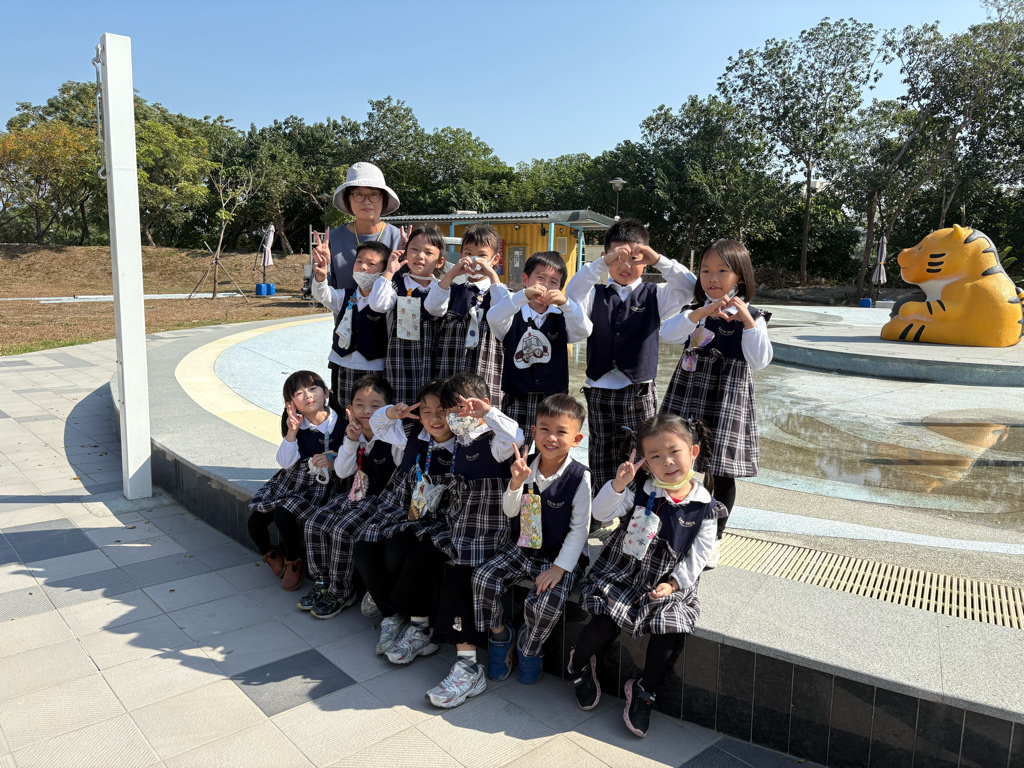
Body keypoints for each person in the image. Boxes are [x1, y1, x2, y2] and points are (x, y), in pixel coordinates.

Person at [567, 414, 726, 738]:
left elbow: (699, 555)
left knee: (669, 631)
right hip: (624, 570)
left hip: (668, 580)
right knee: (602, 622)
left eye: (674, 451)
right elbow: (601, 513)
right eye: (655, 456)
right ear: (645, 461)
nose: (666, 462)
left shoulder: (706, 507)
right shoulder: (640, 488)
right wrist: (618, 485)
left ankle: (644, 691)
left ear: (693, 452)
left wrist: (675, 584)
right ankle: (578, 664)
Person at [659, 239, 772, 568]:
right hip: (689, 391)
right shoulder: (694, 313)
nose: (712, 277)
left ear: (740, 276)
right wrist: (700, 313)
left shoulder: (754, 316)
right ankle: (675, 526)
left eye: (723, 270)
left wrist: (747, 320)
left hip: (727, 397)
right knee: (676, 460)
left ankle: (713, 538)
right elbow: (668, 335)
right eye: (706, 270)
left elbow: (760, 360)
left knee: (720, 472)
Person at [564, 219, 696, 497]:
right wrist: (600, 264)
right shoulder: (594, 294)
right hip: (598, 389)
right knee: (600, 455)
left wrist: (658, 260)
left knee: (642, 456)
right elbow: (572, 293)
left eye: (635, 258)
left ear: (645, 261)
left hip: (638, 391)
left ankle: (635, 512)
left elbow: (690, 288)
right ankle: (601, 510)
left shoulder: (656, 295)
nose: (625, 266)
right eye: (617, 258)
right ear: (606, 258)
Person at [471, 394, 591, 685]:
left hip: (558, 557)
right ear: (534, 432)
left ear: (577, 439)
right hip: (523, 547)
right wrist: (515, 483)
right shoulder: (524, 466)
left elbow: (580, 529)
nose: (551, 437)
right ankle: (501, 635)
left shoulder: (580, 477)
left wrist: (559, 568)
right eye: (544, 429)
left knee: (545, 603)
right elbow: (510, 511)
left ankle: (530, 647)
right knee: (482, 578)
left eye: (561, 432)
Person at [424, 373, 524, 708]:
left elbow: (516, 435)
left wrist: (488, 413)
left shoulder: (494, 441)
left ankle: (468, 667)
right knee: (437, 567)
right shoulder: (460, 443)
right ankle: (439, 639)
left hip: (491, 536)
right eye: (452, 409)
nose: (458, 414)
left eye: (465, 406)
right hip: (463, 533)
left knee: (456, 584)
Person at [298, 374, 399, 619]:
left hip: (382, 500)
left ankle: (342, 591)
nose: (367, 411)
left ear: (388, 409)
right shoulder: (354, 433)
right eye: (360, 405)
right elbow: (343, 471)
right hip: (355, 493)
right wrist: (351, 441)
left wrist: (385, 424)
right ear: (350, 408)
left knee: (342, 530)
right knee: (314, 522)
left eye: (375, 406)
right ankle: (323, 582)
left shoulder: (394, 436)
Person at [247, 371, 344, 591]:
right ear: (291, 403)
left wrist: (333, 461)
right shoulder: (297, 425)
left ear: (326, 393)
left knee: (283, 514)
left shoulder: (340, 424)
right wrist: (291, 432)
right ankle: (271, 554)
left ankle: (294, 559)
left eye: (313, 389)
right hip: (292, 480)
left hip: (321, 485)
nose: (308, 395)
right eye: (299, 393)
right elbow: (285, 462)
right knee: (255, 523)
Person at [486, 252, 592, 450]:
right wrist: (522, 296)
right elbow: (493, 317)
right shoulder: (512, 313)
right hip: (517, 397)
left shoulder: (562, 316)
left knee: (550, 450)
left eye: (554, 282)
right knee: (514, 449)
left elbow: (584, 330)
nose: (545, 285)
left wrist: (566, 303)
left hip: (553, 399)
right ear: (525, 279)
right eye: (540, 278)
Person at [426, 224, 510, 404]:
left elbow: (504, 311)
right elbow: (432, 307)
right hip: (451, 369)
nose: (474, 259)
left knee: (483, 413)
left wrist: (492, 275)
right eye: (468, 253)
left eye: (482, 255)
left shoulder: (502, 293)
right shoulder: (452, 290)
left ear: (495, 259)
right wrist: (451, 273)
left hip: (485, 371)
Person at [311, 237, 391, 414]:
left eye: (371, 264)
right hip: (342, 364)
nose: (363, 267)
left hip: (373, 367)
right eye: (359, 261)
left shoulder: (388, 300)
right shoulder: (345, 296)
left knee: (370, 412)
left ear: (384, 270)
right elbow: (323, 294)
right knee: (344, 410)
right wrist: (321, 275)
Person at [369, 225, 449, 405]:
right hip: (400, 363)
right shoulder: (396, 283)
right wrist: (389, 271)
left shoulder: (443, 289)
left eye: (428, 252)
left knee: (432, 406)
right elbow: (377, 305)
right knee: (400, 409)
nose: (420, 256)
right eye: (414, 249)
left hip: (434, 361)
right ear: (405, 253)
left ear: (439, 262)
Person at [326, 162, 405, 292]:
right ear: (348, 199)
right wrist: (320, 270)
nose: (366, 201)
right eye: (358, 194)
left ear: (384, 199)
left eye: (374, 194)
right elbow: (322, 290)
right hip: (343, 306)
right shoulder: (332, 240)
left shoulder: (400, 239)